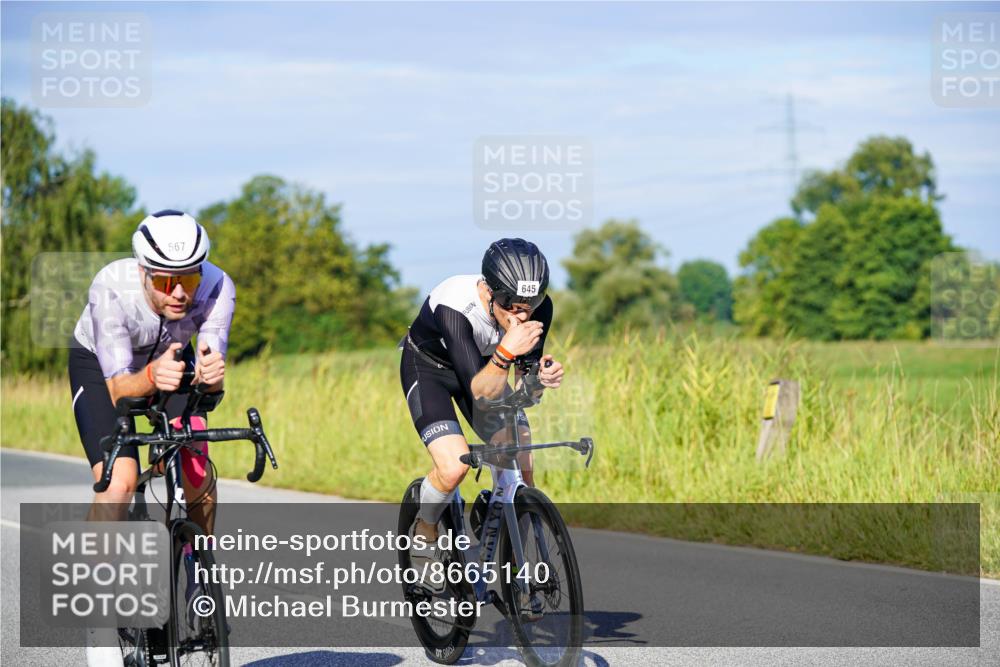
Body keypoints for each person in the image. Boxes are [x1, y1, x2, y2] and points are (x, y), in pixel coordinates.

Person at [69, 209, 234, 665]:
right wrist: (152, 375)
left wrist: (213, 377)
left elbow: (210, 375)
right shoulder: (111, 288)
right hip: (103, 366)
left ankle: (195, 575)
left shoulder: (218, 286)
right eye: (165, 282)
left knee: (196, 465)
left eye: (190, 279)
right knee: (119, 479)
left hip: (171, 360)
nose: (180, 293)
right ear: (143, 272)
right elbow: (121, 389)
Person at [399, 238, 564, 568]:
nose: (522, 314)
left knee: (520, 459)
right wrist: (505, 353)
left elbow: (522, 392)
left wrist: (537, 382)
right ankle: (426, 527)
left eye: (530, 305)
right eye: (512, 306)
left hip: (486, 370)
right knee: (453, 467)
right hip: (430, 370)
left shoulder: (538, 307)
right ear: (490, 292)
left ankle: (514, 558)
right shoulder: (455, 306)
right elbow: (480, 393)